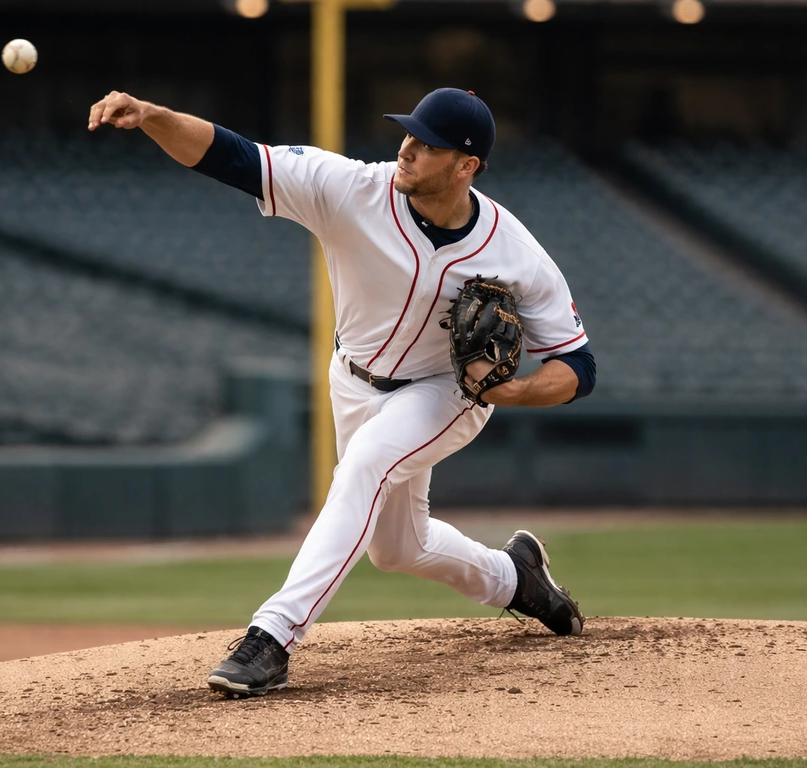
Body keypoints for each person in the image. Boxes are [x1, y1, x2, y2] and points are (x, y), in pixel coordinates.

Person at [88, 86, 596, 699]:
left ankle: (271, 639)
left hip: (445, 392)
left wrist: (507, 393)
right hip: (352, 380)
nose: (406, 148)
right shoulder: (351, 189)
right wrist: (154, 117)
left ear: (467, 167)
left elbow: (579, 366)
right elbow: (233, 157)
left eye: (427, 144)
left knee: (367, 464)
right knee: (398, 548)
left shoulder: (515, 252)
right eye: (407, 133)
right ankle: (517, 579)